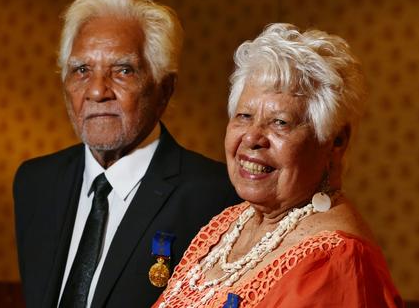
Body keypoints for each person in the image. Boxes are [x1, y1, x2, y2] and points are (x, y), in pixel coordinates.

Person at [13, 0, 239, 308]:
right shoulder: (35, 184)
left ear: (164, 90)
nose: (96, 91)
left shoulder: (215, 198)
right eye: (81, 70)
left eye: (122, 71)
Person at [153, 23, 404, 307]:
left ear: (335, 141)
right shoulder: (227, 225)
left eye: (280, 123)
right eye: (244, 116)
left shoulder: (337, 261)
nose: (252, 137)